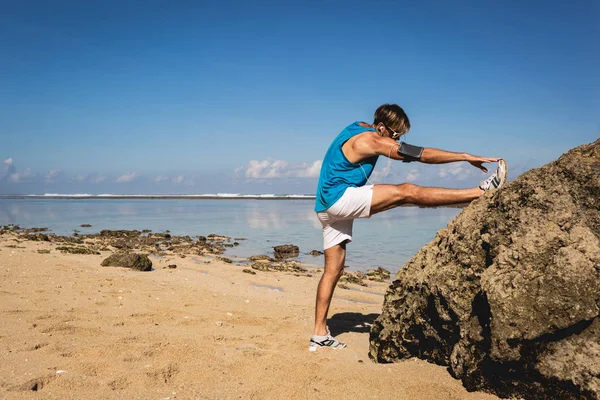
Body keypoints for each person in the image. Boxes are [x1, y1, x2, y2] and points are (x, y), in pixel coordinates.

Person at [309, 103, 507, 351]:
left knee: (333, 270)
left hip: (325, 205)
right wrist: (465, 156)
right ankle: (481, 192)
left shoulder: (358, 127)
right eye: (395, 135)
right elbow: (421, 154)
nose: (397, 140)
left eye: (400, 136)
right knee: (407, 192)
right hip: (339, 199)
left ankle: (319, 334)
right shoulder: (371, 139)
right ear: (381, 127)